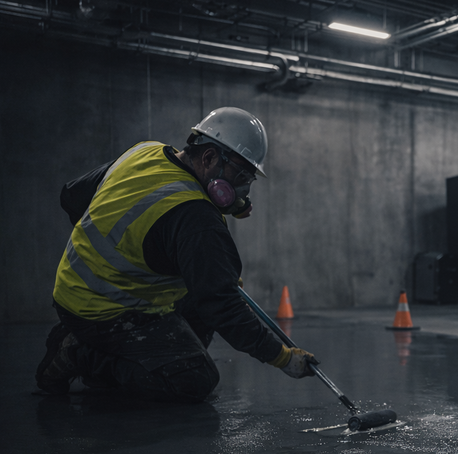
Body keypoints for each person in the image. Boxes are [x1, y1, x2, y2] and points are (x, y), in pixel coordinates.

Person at [35, 107, 318, 402]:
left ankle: (153, 353)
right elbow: (223, 306)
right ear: (209, 158)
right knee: (193, 379)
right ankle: (78, 353)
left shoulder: (145, 152)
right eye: (241, 174)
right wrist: (283, 357)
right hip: (100, 310)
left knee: (201, 295)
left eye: (249, 178)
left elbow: (72, 197)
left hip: (74, 288)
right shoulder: (194, 216)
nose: (243, 187)